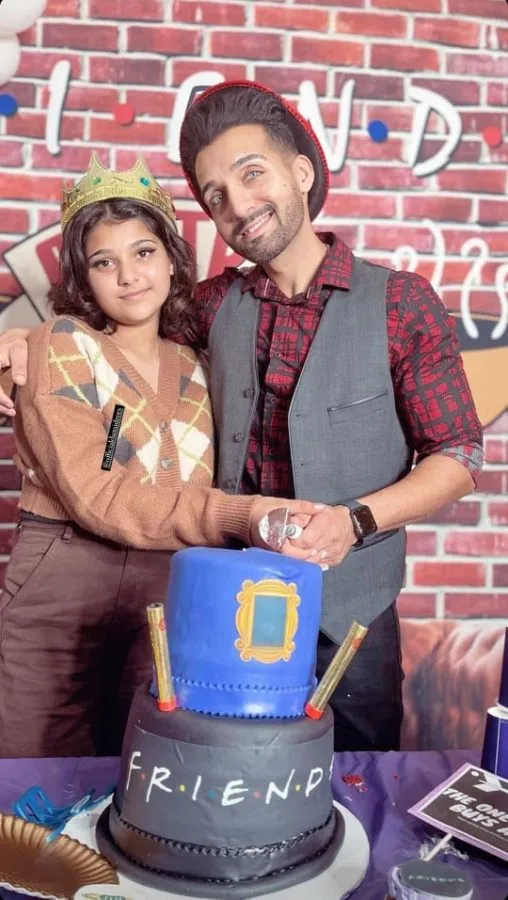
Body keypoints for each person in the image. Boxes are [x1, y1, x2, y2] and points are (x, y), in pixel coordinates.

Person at [0, 82, 484, 753]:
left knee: (358, 784)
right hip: (219, 608)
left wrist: (355, 521)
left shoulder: (400, 303)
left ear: (302, 172)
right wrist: (21, 342)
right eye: (216, 195)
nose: (237, 205)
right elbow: (116, 338)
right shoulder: (206, 307)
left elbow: (459, 454)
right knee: (210, 780)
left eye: (251, 174)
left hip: (351, 612)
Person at [0, 153, 316, 759]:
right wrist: (243, 516)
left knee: (144, 766)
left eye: (143, 252)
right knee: (39, 772)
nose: (128, 276)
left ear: (171, 258)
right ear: (83, 277)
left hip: (168, 582)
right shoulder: (62, 345)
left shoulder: (196, 364)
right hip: (65, 575)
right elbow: (101, 494)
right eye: (103, 262)